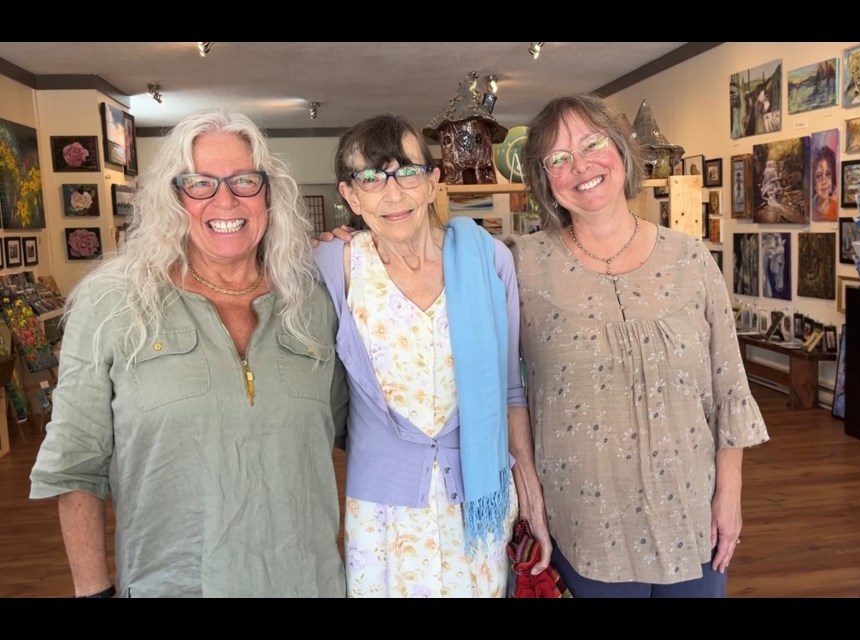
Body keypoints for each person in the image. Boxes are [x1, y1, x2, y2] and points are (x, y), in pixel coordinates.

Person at [29, 109, 349, 598]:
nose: (225, 200)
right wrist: (93, 593)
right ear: (173, 198)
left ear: (269, 193)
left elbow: (362, 428)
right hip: (173, 584)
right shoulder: (113, 303)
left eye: (244, 180)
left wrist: (366, 262)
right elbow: (75, 465)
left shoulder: (316, 298)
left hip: (306, 581)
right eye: (199, 183)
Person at [508, 93, 770, 597]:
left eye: (591, 144)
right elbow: (505, 388)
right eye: (558, 158)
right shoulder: (520, 264)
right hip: (583, 517)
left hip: (692, 511)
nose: (580, 166)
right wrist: (353, 245)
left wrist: (730, 493)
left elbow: (728, 386)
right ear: (545, 182)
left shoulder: (691, 259)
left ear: (622, 151)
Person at [314, 114, 550, 597]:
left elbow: (509, 387)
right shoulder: (333, 266)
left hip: (479, 495)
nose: (392, 193)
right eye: (371, 177)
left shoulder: (488, 261)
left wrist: (528, 489)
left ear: (432, 182)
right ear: (350, 196)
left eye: (407, 172)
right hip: (383, 509)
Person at [811, 145, 839, 221]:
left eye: (828, 174)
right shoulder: (808, 209)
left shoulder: (837, 208)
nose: (824, 181)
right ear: (813, 183)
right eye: (818, 176)